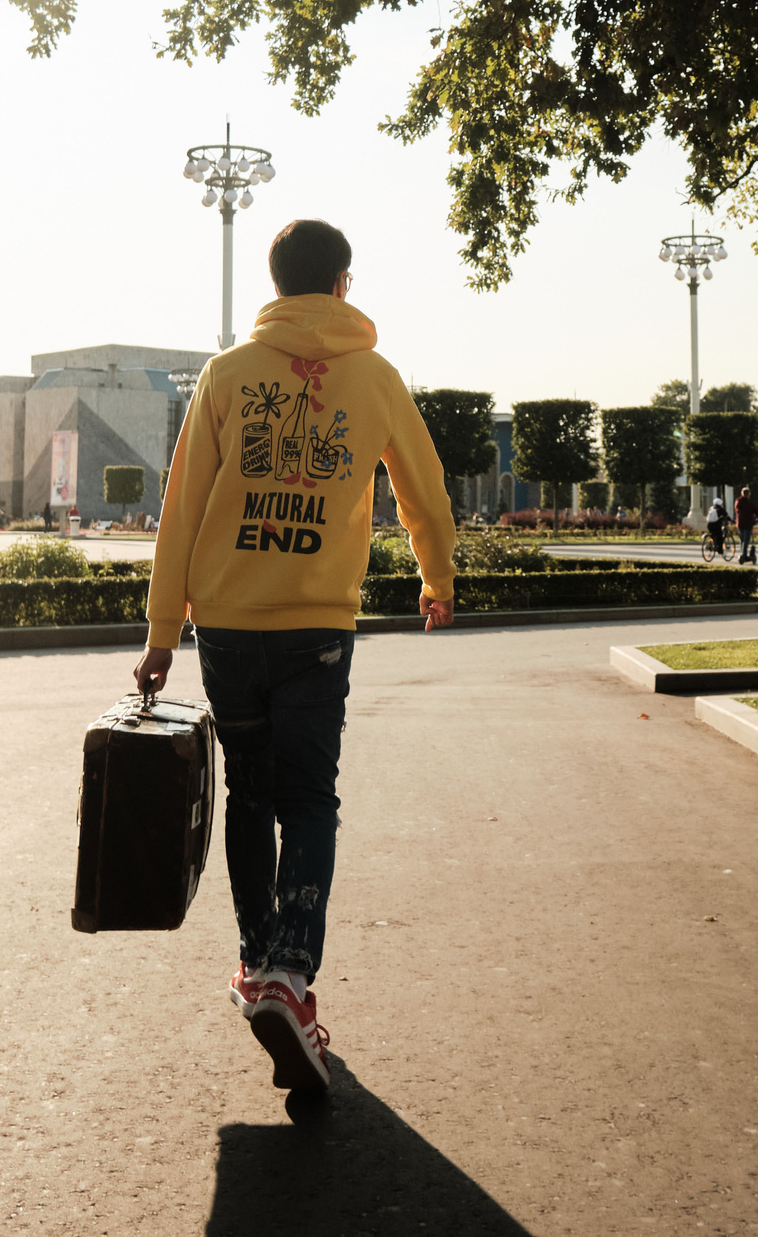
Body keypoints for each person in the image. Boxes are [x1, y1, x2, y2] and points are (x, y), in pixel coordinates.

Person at [134, 218, 455, 1099]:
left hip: (227, 624)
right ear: (343, 283)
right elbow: (422, 489)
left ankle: (254, 960)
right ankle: (290, 971)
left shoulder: (227, 374)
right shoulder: (376, 376)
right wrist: (436, 577)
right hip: (317, 626)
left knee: (250, 791)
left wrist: (162, 631)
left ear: (275, 284)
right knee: (310, 797)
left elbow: (181, 507)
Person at [733, 485, 758, 565]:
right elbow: (755, 510)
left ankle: (743, 553)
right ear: (749, 494)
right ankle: (744, 555)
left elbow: (736, 510)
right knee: (746, 540)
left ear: (742, 493)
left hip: (740, 523)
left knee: (742, 539)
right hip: (748, 523)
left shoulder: (738, 501)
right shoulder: (749, 502)